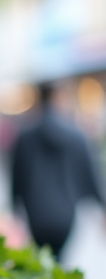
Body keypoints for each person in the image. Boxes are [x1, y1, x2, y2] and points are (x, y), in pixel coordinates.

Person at [11, 81, 106, 258]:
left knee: (43, 260)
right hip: (66, 215)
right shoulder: (77, 135)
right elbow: (91, 176)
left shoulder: (24, 137)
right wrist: (102, 207)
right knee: (58, 264)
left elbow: (16, 177)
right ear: (58, 98)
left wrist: (13, 210)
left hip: (35, 214)